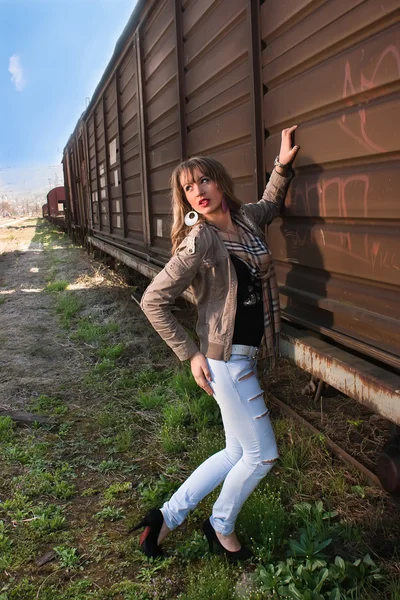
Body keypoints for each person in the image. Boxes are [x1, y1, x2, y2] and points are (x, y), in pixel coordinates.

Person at [134, 126, 300, 560]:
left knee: (234, 452)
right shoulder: (201, 239)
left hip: (241, 357)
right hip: (226, 362)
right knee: (262, 457)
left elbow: (269, 203)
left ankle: (165, 518)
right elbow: (153, 300)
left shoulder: (245, 220)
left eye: (204, 180)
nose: (198, 191)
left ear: (220, 182)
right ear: (185, 200)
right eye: (188, 188)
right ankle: (220, 525)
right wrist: (190, 354)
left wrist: (282, 163)